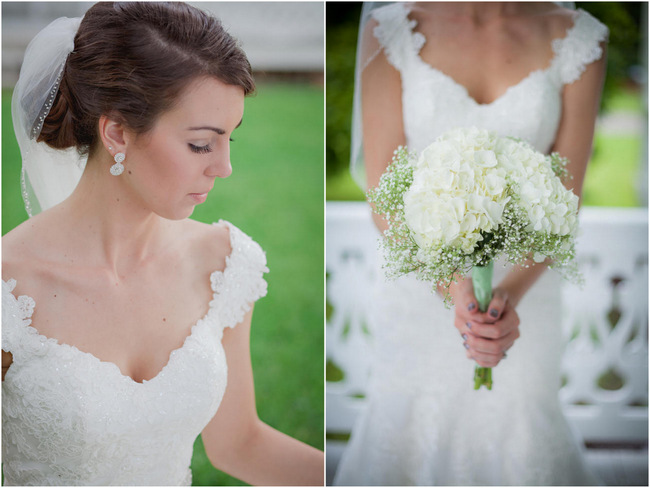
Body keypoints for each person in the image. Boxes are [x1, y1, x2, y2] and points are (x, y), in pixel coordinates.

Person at [2, 2, 323, 485]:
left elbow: (240, 443)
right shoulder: (10, 290)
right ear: (117, 133)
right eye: (201, 143)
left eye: (230, 138)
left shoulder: (223, 264)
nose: (224, 167)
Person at [334, 2, 608, 485]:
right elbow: (385, 197)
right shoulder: (390, 31)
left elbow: (566, 197)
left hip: (528, 286)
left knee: (520, 426)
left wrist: (506, 299)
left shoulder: (580, 39)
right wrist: (456, 291)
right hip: (422, 288)